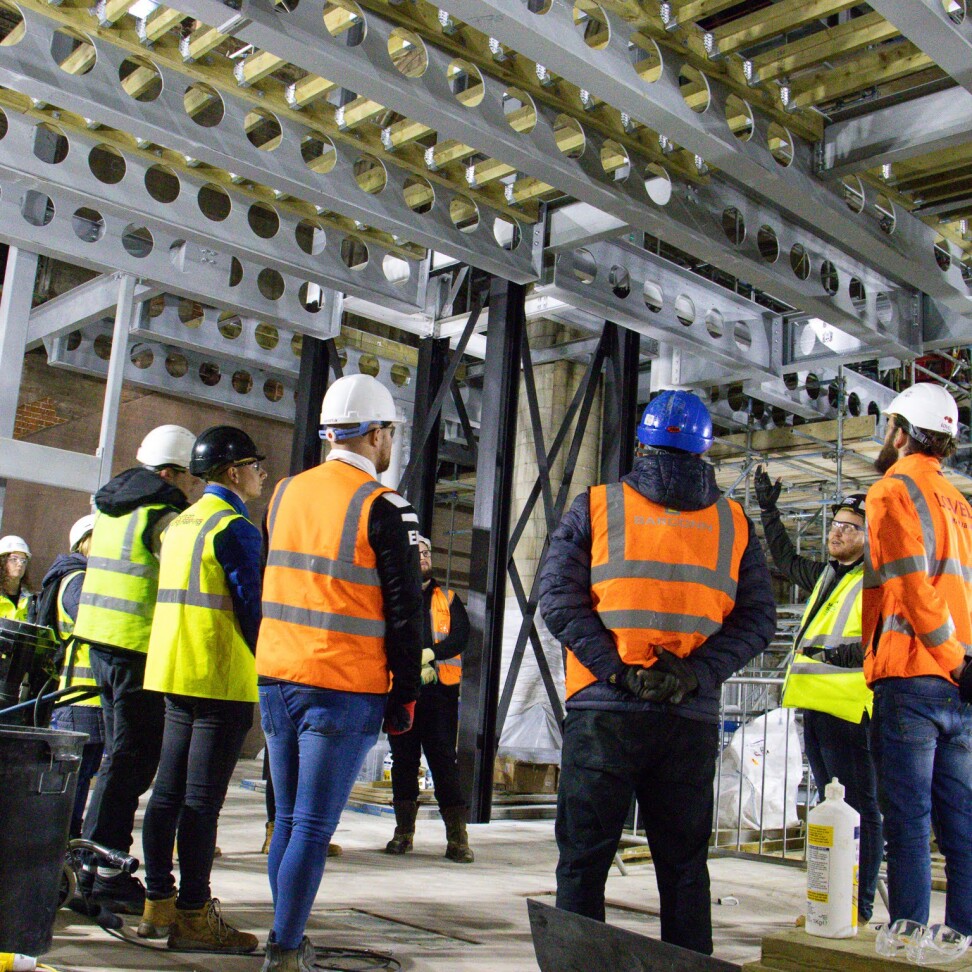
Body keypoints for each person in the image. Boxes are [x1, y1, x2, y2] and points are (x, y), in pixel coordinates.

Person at [538, 390, 776, 956]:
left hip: (604, 713)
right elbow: (757, 620)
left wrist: (618, 672)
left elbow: (555, 599)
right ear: (704, 452)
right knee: (685, 868)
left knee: (584, 862)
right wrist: (693, 675)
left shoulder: (596, 506)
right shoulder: (734, 523)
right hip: (686, 721)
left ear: (642, 443)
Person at [257, 373, 423, 972]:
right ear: (375, 435)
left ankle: (287, 933)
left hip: (277, 677)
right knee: (310, 824)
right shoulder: (385, 508)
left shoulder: (284, 493)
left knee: (289, 820)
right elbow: (407, 616)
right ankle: (283, 948)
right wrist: (405, 695)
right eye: (389, 435)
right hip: (341, 686)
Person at [137, 426, 267, 952]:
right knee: (201, 803)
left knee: (166, 796)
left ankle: (157, 905)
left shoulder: (181, 524)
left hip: (172, 673)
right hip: (219, 677)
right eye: (256, 464)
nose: (262, 473)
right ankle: (194, 916)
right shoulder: (234, 528)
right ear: (233, 471)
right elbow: (252, 610)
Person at [72, 424, 197, 915]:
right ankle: (106, 872)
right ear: (170, 472)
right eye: (186, 476)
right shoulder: (160, 512)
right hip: (135, 649)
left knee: (118, 758)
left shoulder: (110, 506)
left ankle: (88, 863)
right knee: (132, 759)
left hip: (100, 646)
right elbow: (180, 576)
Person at [862, 382, 972, 936]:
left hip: (914, 676)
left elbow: (908, 585)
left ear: (901, 432)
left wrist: (950, 657)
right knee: (963, 826)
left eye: (890, 425)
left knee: (907, 822)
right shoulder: (962, 506)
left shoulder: (891, 490)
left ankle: (906, 935)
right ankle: (962, 936)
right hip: (961, 686)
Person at [753, 470, 882, 924]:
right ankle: (829, 905)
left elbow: (886, 640)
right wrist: (769, 511)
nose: (837, 532)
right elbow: (787, 560)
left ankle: (858, 909)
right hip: (816, 708)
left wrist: (859, 654)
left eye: (850, 527)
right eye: (836, 524)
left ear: (870, 537)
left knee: (860, 811)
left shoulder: (877, 580)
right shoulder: (829, 574)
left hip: (849, 711)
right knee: (829, 815)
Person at [384, 535, 472, 862]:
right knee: (404, 764)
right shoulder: (394, 598)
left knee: (443, 764)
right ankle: (403, 834)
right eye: (417, 552)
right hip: (403, 693)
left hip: (439, 697)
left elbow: (460, 637)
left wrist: (430, 654)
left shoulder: (448, 599)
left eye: (426, 552)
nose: (423, 557)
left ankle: (458, 840)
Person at [46, 514, 101, 838]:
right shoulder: (76, 579)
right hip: (78, 698)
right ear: (83, 541)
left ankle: (69, 839)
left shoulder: (82, 576)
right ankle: (64, 841)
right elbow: (90, 621)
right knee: (75, 778)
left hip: (88, 697)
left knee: (83, 775)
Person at [0, 535, 33, 620]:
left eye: (23, 560)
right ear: (2, 562)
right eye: (14, 559)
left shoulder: (31, 600)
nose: (20, 564)